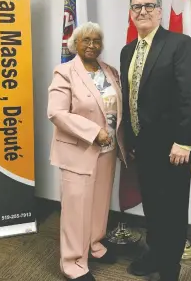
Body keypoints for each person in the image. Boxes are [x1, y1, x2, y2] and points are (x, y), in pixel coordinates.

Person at [120, 0, 191, 281]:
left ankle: (169, 271)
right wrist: (130, 141)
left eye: (149, 6)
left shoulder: (180, 44)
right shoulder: (128, 51)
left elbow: (190, 96)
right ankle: (155, 256)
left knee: (174, 212)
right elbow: (131, 97)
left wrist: (184, 141)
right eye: (137, 7)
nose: (142, 11)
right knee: (152, 207)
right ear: (131, 13)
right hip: (143, 148)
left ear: (160, 11)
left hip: (173, 148)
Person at [47, 21, 126, 281]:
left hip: (108, 150)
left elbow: (115, 109)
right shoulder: (65, 71)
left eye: (97, 40)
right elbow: (56, 112)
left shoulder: (109, 70)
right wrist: (94, 132)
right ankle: (72, 263)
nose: (92, 45)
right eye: (86, 40)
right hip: (79, 150)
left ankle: (94, 246)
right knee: (76, 207)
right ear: (75, 44)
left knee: (99, 204)